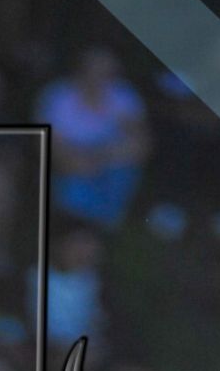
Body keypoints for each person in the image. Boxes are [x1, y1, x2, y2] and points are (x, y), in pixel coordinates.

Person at [39, 46, 149, 232]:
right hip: (71, 160)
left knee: (120, 173)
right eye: (95, 67)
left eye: (107, 70)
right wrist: (77, 160)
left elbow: (141, 143)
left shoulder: (123, 96)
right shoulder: (58, 97)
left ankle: (104, 230)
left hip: (110, 161)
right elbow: (51, 147)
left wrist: (100, 156)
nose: (100, 75)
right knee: (74, 181)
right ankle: (76, 228)